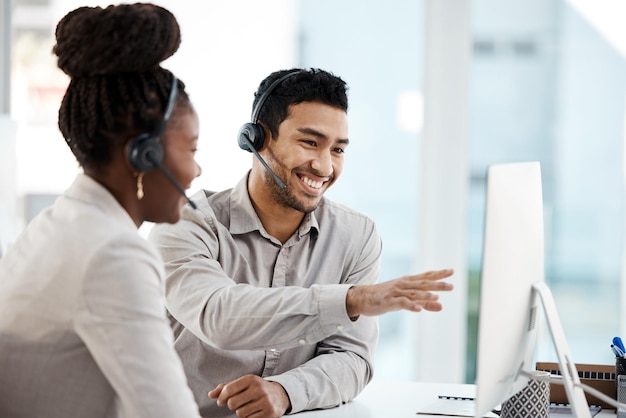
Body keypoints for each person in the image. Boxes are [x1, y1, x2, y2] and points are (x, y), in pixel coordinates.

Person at [148, 68, 454, 418]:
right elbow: (219, 316)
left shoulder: (356, 235)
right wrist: (352, 300)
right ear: (257, 139)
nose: (324, 166)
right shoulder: (184, 223)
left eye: (337, 149)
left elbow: (352, 357)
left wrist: (284, 392)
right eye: (310, 142)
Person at [0, 3, 202, 417]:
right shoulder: (113, 253)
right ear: (144, 154)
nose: (197, 170)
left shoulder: (58, 224)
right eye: (192, 149)